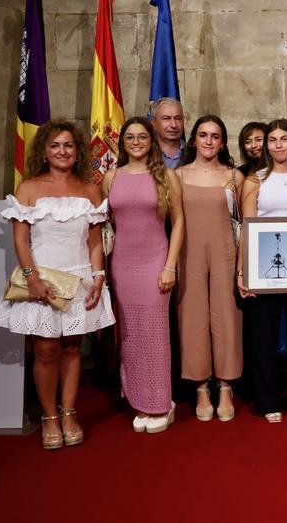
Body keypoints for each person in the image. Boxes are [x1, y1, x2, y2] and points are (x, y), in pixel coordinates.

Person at [0, 120, 115, 449]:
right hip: (41, 280)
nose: (62, 151)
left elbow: (95, 241)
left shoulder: (90, 190)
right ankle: (49, 417)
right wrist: (32, 279)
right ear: (44, 151)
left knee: (73, 347)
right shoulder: (29, 188)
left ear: (77, 152)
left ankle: (69, 413)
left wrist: (99, 277)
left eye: (68, 145)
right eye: (55, 146)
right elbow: (21, 240)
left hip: (79, 278)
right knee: (45, 350)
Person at [102, 117, 185, 433]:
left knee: (154, 332)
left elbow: (179, 222)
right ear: (122, 142)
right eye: (130, 137)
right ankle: (139, 400)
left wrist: (170, 265)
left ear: (152, 141)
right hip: (122, 264)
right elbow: (104, 222)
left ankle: (162, 403)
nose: (136, 142)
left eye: (142, 137)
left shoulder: (166, 175)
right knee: (129, 333)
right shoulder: (111, 177)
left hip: (155, 262)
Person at [236, 119, 287, 423]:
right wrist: (241, 272)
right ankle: (267, 400)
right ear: (266, 145)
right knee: (263, 335)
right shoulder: (253, 181)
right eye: (273, 140)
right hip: (262, 268)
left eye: (284, 139)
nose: (278, 145)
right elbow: (246, 229)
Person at [177, 115, 245, 422]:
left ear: (222, 142)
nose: (208, 141)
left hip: (225, 252)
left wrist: (242, 266)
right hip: (188, 253)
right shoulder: (177, 175)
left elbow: (242, 222)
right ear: (193, 140)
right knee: (191, 317)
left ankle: (226, 386)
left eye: (215, 136)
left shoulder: (234, 176)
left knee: (227, 316)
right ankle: (201, 387)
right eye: (203, 135)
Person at [150, 97, 186, 169]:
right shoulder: (145, 153)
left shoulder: (194, 152)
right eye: (166, 118)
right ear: (153, 123)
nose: (173, 125)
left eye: (178, 118)